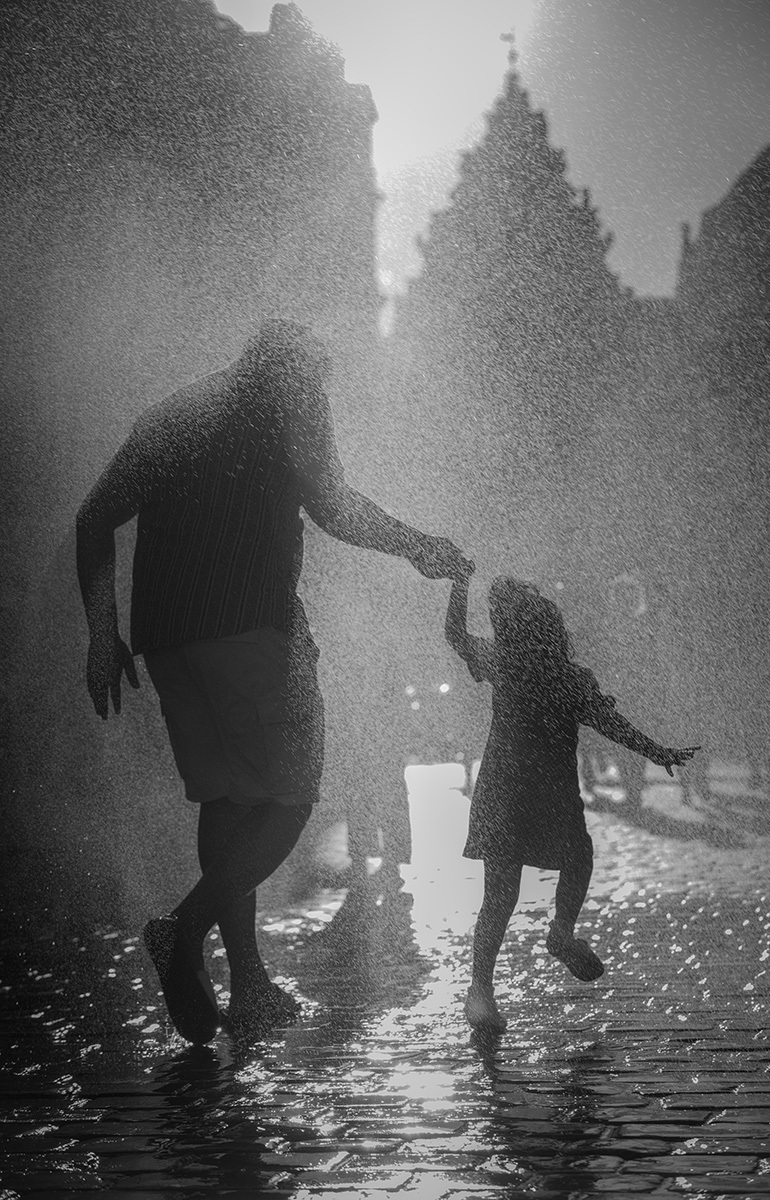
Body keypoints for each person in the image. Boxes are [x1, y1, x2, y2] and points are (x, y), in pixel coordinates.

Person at [76, 319, 470, 1045]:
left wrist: (103, 633)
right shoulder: (291, 406)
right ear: (300, 373)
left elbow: (93, 518)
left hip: (167, 642)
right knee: (291, 800)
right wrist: (416, 545)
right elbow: (334, 505)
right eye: (318, 381)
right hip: (252, 632)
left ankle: (249, 981)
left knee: (228, 801)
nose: (321, 393)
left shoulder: (173, 414)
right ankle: (182, 931)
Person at [445, 567, 698, 1032]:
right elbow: (612, 725)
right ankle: (561, 932)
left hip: (503, 792)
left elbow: (456, 636)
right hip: (550, 791)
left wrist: (459, 586)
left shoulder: (504, 664)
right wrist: (657, 751)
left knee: (498, 896)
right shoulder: (568, 678)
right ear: (554, 633)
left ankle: (481, 990)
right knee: (578, 857)